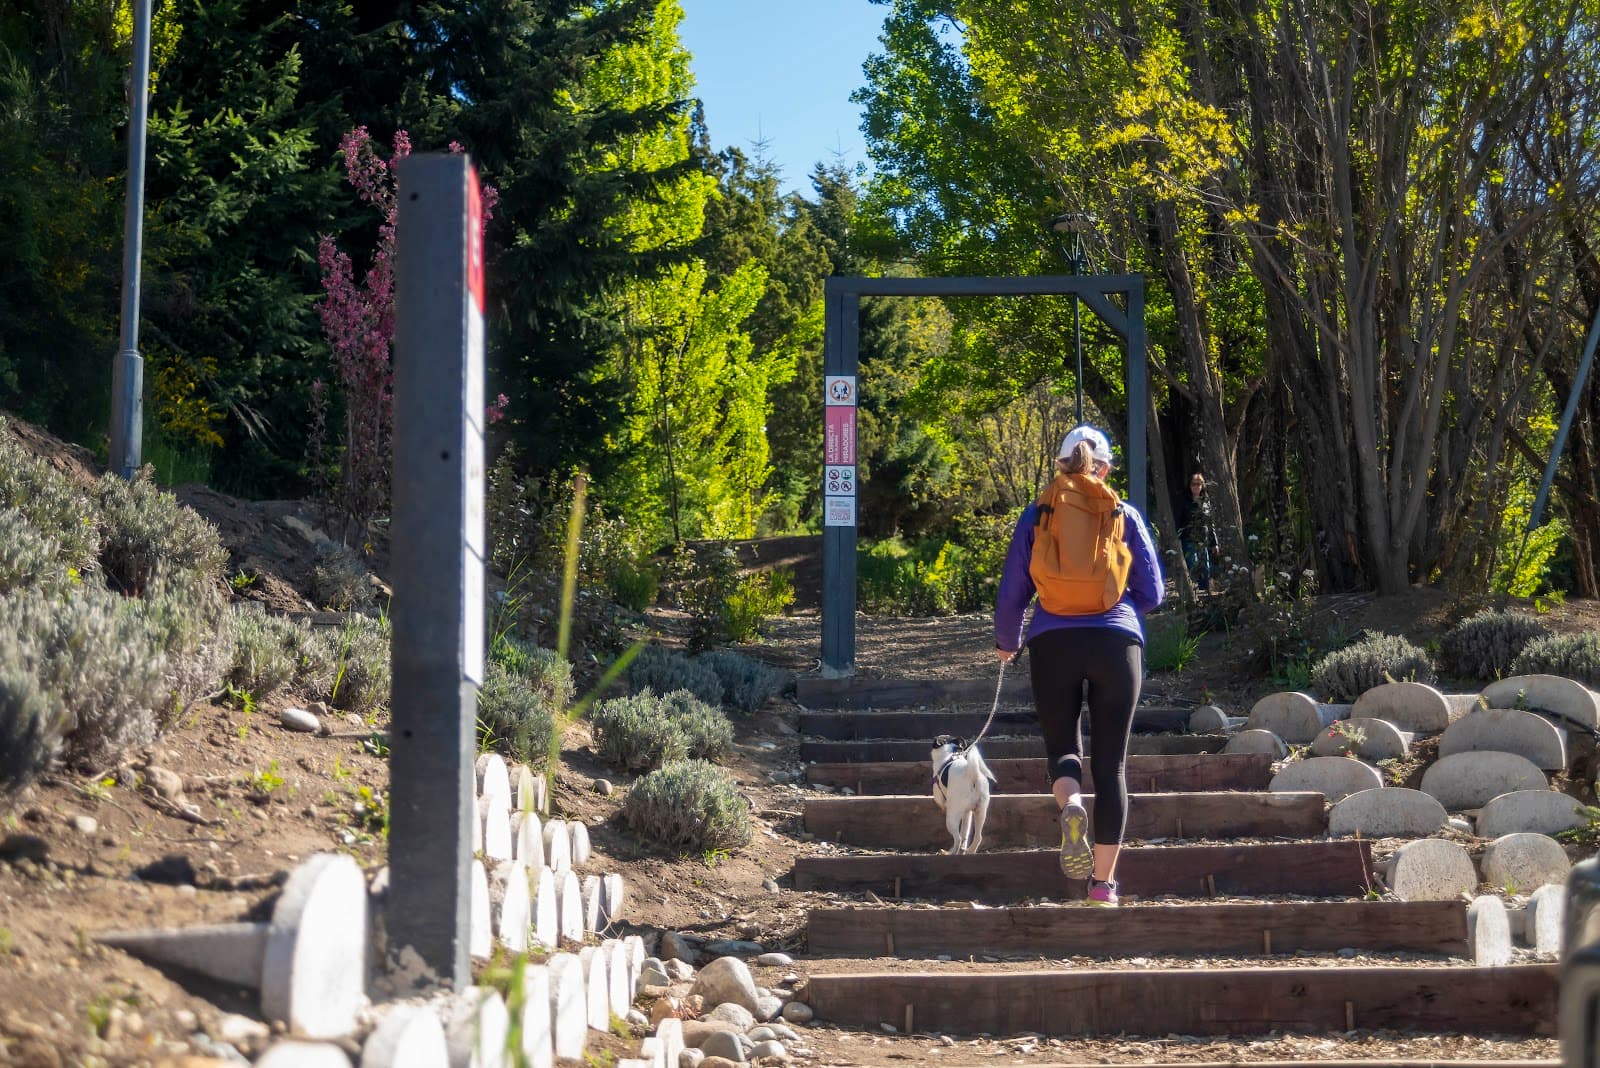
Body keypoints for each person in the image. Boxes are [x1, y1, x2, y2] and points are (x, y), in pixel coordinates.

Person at [993, 425, 1164, 907]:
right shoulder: (1123, 513)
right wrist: (1117, 605)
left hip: (1052, 643)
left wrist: (1008, 641)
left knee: (1063, 747)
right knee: (1111, 765)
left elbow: (1013, 591)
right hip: (1117, 643)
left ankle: (1070, 806)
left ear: (1062, 465)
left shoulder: (1037, 514)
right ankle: (1103, 886)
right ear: (1103, 467)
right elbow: (1153, 593)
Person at [1176, 471, 1217, 592]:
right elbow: (1178, 520)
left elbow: (1210, 523)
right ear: (1189, 485)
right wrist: (1177, 537)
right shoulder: (1183, 500)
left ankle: (1204, 591)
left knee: (1206, 567)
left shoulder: (1206, 500)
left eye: (1199, 484)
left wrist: (1214, 543)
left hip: (1203, 539)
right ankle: (1191, 591)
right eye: (1194, 484)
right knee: (1192, 564)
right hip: (1188, 538)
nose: (1196, 486)